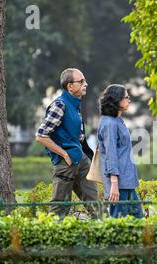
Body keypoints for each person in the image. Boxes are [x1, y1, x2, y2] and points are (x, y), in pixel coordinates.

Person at [36, 68, 98, 219]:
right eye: (81, 81)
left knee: (97, 206)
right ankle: (53, 241)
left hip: (81, 160)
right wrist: (63, 153)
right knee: (59, 210)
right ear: (70, 86)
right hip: (65, 162)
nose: (86, 84)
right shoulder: (60, 105)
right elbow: (41, 135)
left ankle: (103, 238)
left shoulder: (75, 104)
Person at [97, 84, 143, 218]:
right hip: (119, 183)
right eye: (126, 97)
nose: (129, 100)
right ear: (116, 100)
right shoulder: (109, 123)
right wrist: (114, 184)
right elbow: (111, 154)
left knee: (137, 217)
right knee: (118, 220)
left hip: (127, 182)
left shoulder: (117, 120)